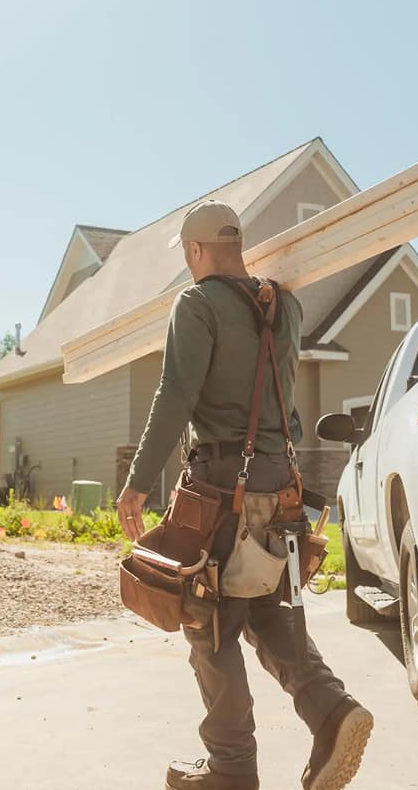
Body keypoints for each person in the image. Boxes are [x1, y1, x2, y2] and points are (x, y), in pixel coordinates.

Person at [117, 200, 373, 790]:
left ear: (194, 251)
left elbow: (175, 393)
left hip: (219, 485)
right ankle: (332, 712)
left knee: (208, 620)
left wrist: (137, 481)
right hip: (280, 482)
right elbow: (283, 400)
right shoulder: (285, 305)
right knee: (268, 610)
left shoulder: (196, 302)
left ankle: (231, 768)